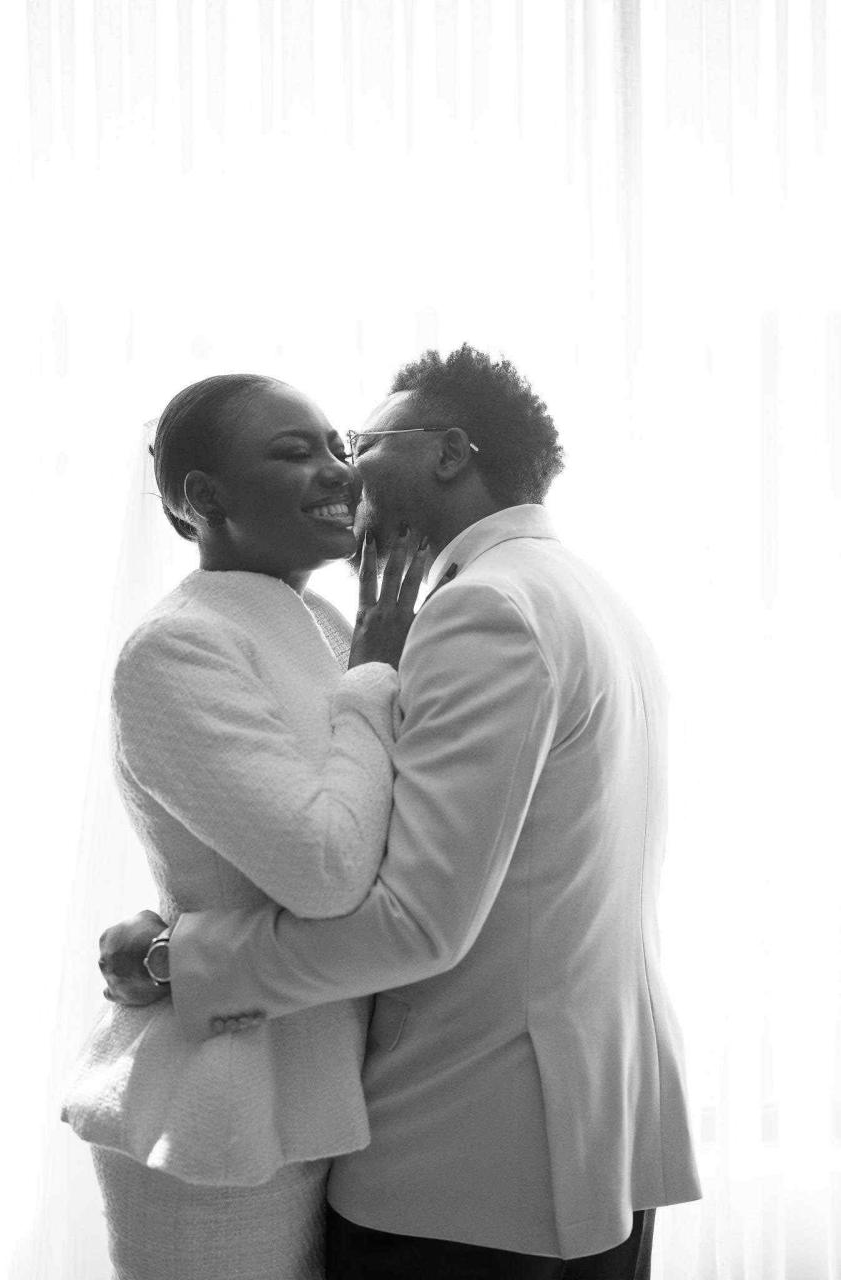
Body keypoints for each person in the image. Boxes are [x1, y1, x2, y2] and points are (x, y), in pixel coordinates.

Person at [102, 345, 703, 1278]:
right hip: (582, 1133)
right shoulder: (580, 594)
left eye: (358, 441)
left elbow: (411, 917)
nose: (344, 469)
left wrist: (176, 958)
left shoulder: (482, 610)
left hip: (471, 1150)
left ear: (449, 453)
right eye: (308, 449)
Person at [62, 372, 434, 1280]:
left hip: (320, 1082)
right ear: (203, 497)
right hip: (213, 1106)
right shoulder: (178, 645)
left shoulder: (327, 621)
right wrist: (376, 670)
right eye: (294, 452)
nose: (339, 471)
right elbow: (325, 870)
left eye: (339, 447)